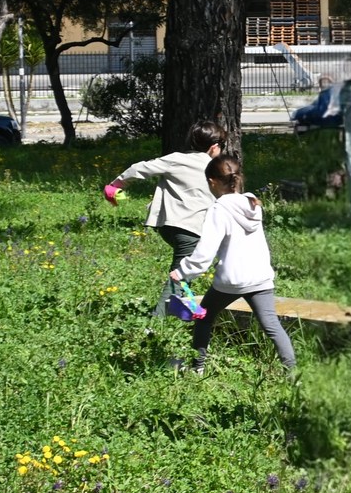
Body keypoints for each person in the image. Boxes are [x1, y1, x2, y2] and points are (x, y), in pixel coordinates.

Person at [172, 156, 297, 371]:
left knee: (204, 317)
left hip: (232, 280)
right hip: (260, 277)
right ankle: (293, 375)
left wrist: (183, 271)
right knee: (272, 326)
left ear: (212, 182)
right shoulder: (252, 204)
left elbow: (205, 252)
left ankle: (197, 368)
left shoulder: (219, 210)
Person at [106, 120, 225, 300]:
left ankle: (185, 309)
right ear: (215, 147)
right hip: (191, 229)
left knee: (186, 270)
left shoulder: (176, 159)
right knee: (180, 275)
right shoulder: (216, 168)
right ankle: (162, 317)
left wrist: (115, 185)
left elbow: (138, 169)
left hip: (167, 226)